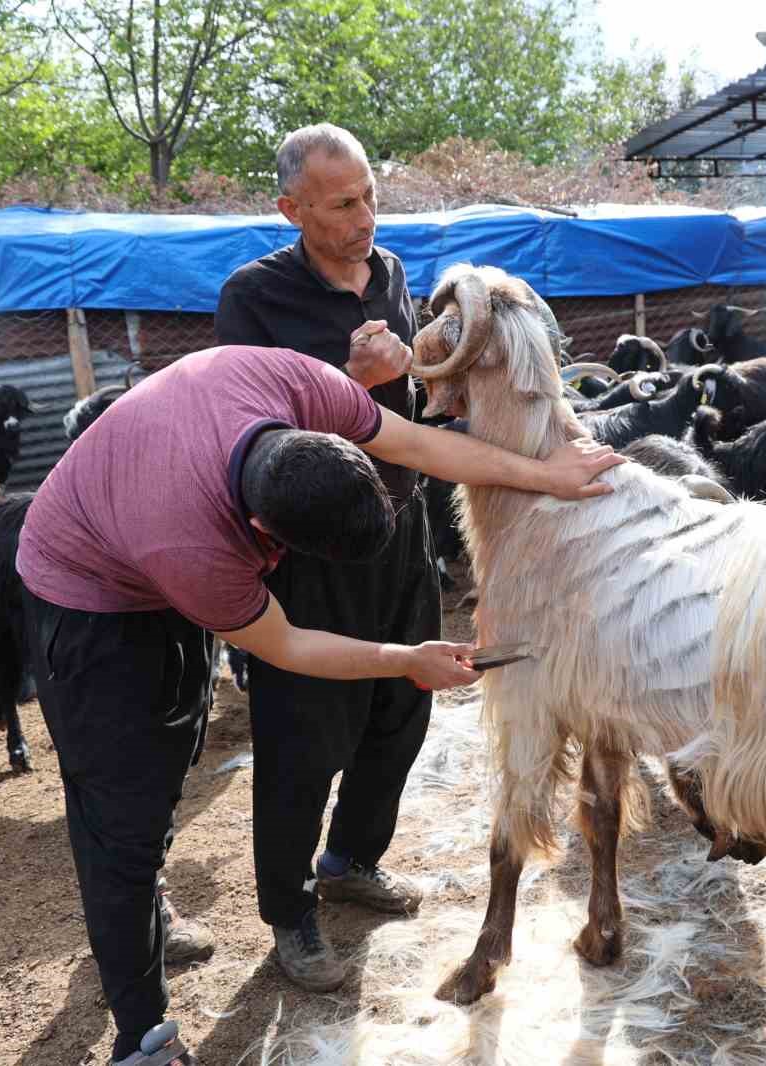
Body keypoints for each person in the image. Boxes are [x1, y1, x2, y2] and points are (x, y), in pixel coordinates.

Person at [16, 341, 621, 1066]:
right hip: (89, 601)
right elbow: (291, 646)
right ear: (265, 537)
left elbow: (416, 441)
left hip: (146, 535)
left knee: (172, 758)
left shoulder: (292, 379)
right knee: (120, 809)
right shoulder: (196, 550)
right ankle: (142, 1037)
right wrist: (407, 661)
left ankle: (146, 902)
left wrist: (544, 474)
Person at [213, 124, 453, 992]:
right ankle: (289, 914)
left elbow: (416, 393)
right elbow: (246, 423)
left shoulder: (389, 274)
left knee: (402, 708)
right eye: (343, 205)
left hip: (402, 527)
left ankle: (351, 859)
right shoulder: (253, 297)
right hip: (312, 551)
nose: (365, 219)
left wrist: (411, 373)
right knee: (303, 735)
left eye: (371, 198)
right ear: (292, 209)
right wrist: (347, 376)